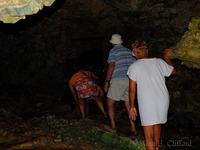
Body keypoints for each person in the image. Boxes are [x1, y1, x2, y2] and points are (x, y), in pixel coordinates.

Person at [127, 39, 176, 150]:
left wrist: (132, 106)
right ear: (147, 51)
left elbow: (131, 90)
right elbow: (173, 71)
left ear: (135, 53)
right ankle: (156, 147)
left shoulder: (134, 66)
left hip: (147, 101)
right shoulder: (159, 61)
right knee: (157, 123)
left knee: (148, 135)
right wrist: (166, 58)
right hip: (162, 99)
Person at [104, 33, 137, 135]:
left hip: (118, 79)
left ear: (112, 43)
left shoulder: (114, 50)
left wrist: (107, 81)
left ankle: (113, 128)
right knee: (129, 105)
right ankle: (133, 128)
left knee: (109, 103)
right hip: (130, 80)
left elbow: (111, 65)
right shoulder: (129, 51)